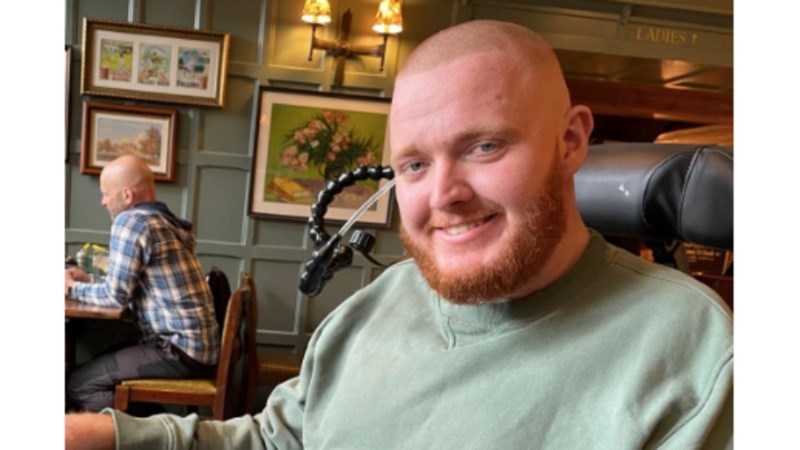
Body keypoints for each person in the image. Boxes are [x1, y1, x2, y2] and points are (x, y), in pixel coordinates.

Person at [65, 20, 732, 449]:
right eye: (413, 165)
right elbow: (280, 437)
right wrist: (101, 437)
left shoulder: (695, 357)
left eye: (485, 146)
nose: (443, 195)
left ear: (570, 141)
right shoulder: (379, 303)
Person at [64, 155, 220, 414]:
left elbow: (115, 297)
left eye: (106, 194)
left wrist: (69, 287)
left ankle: (156, 431)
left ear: (126, 195)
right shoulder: (162, 219)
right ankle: (160, 425)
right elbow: (127, 286)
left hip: (179, 350)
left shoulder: (132, 221)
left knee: (79, 384)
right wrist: (88, 280)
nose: (103, 201)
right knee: (95, 367)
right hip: (197, 348)